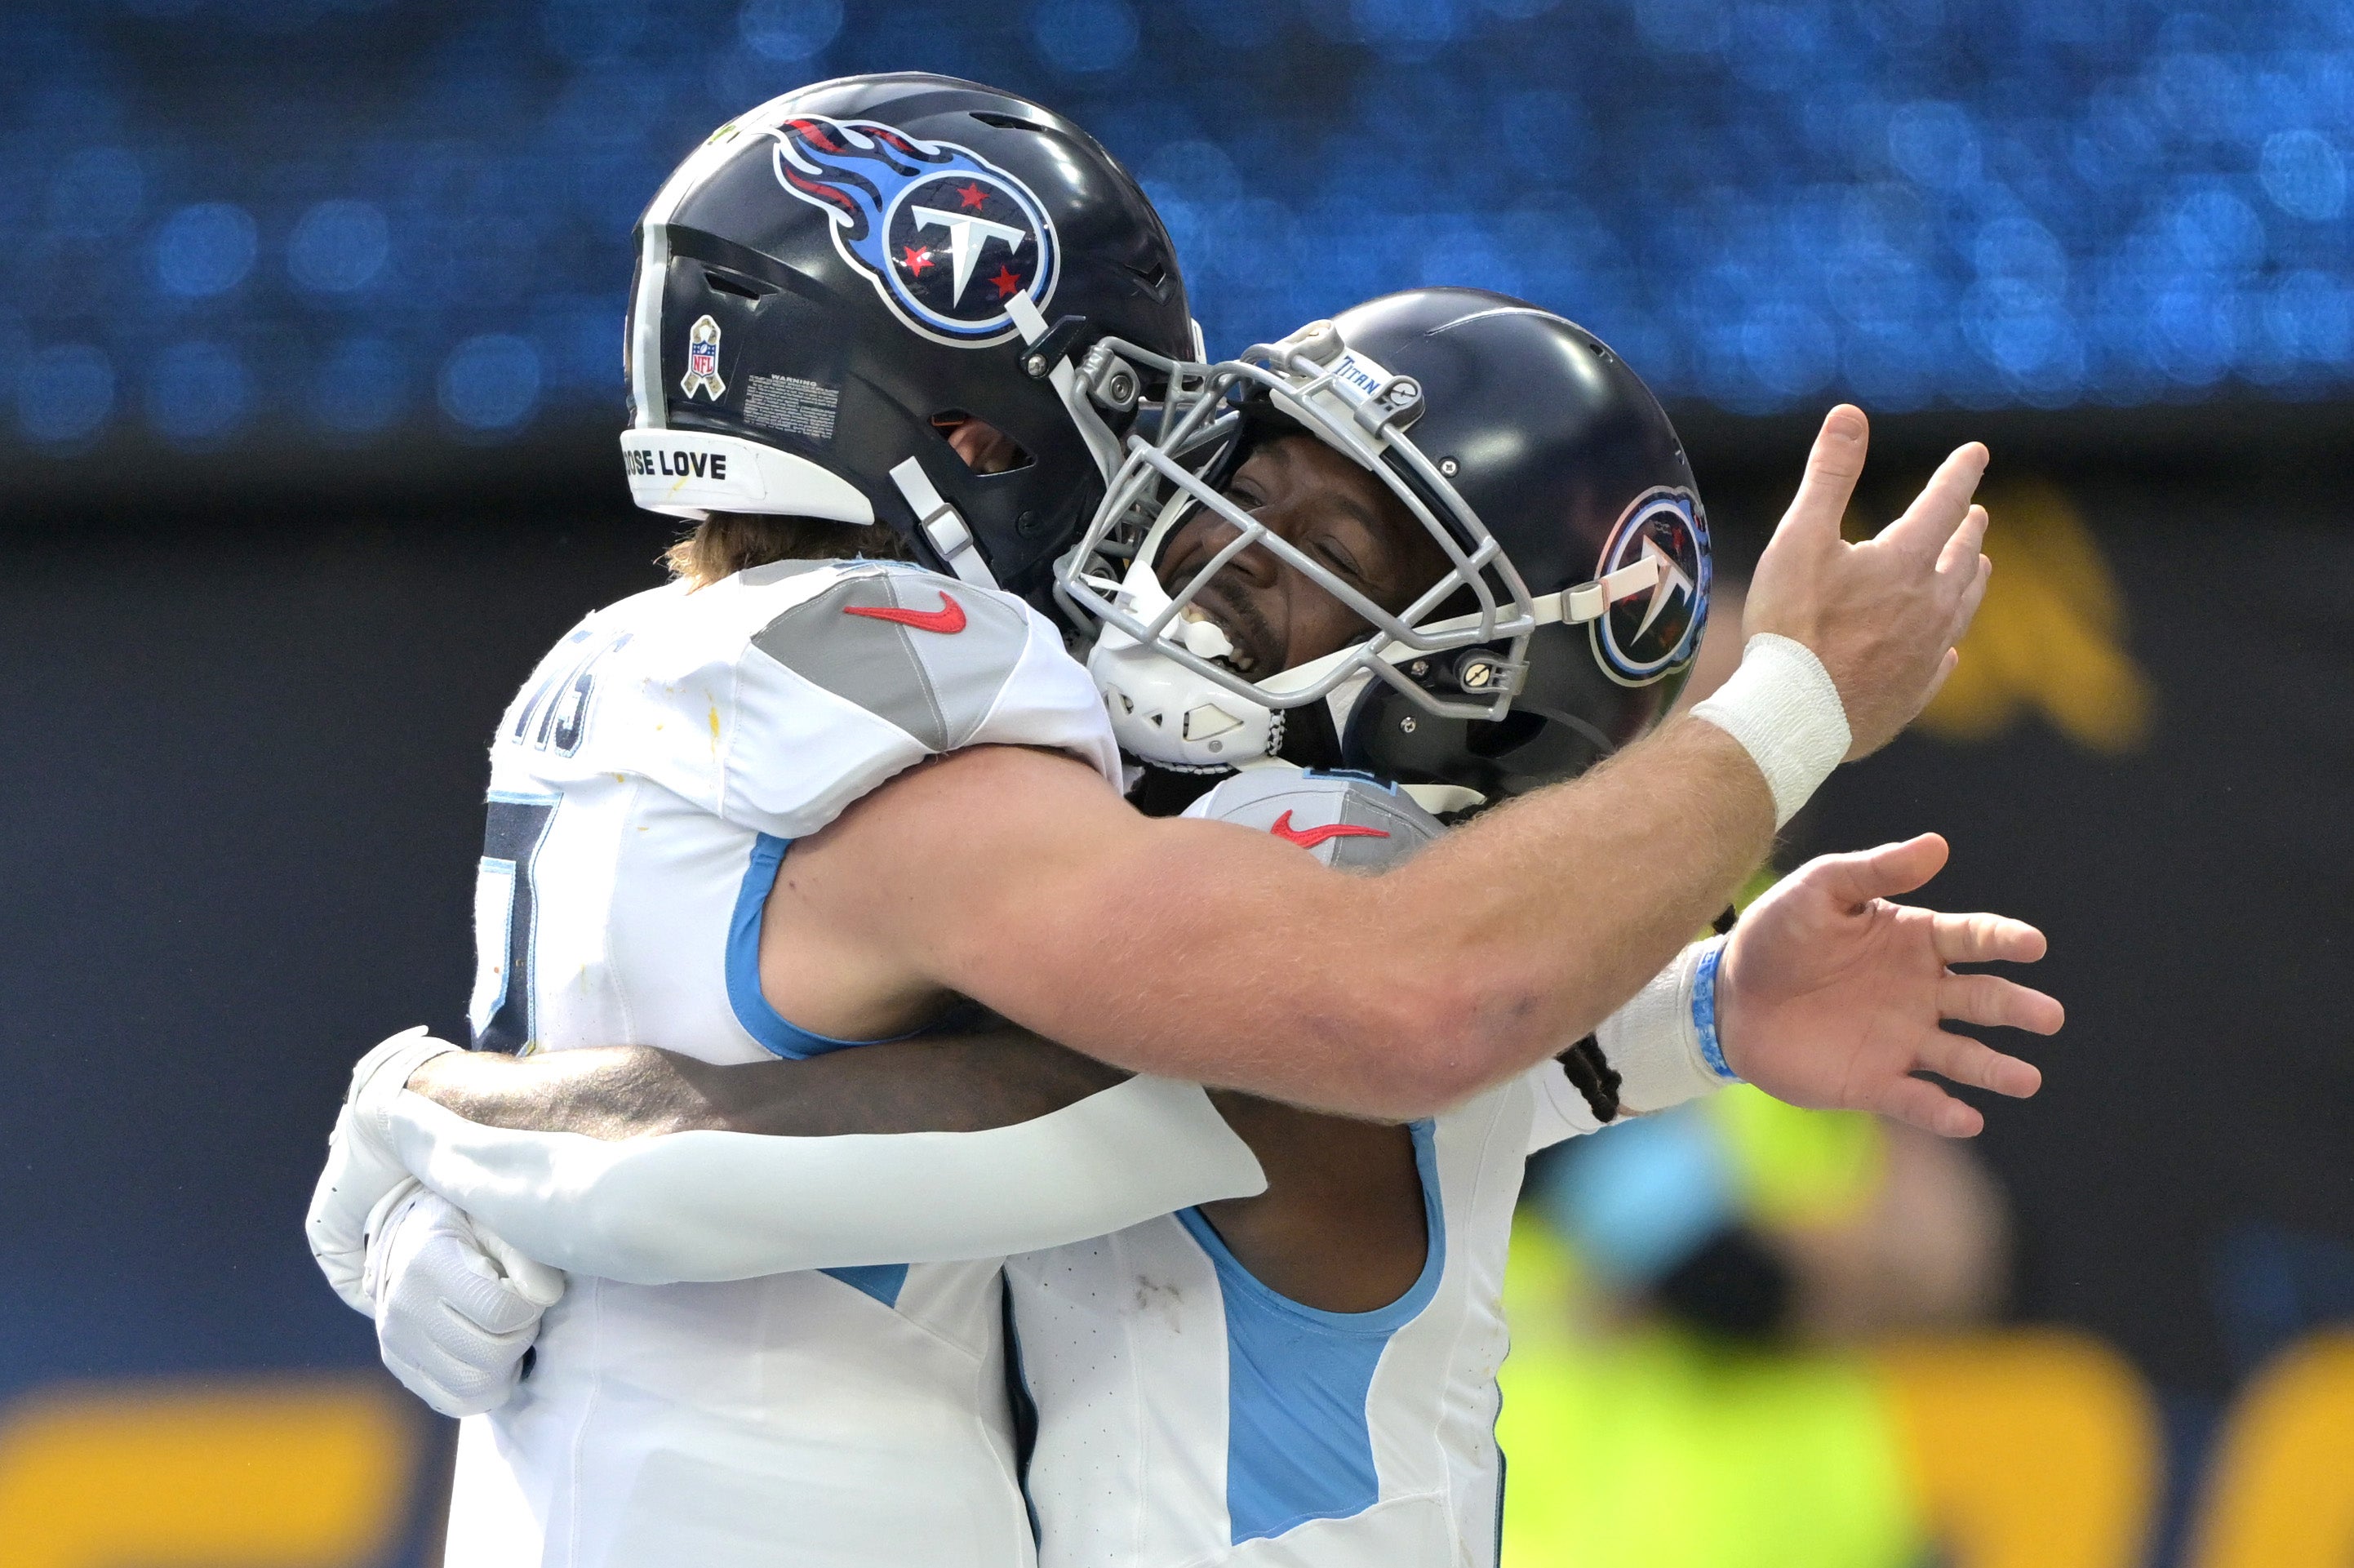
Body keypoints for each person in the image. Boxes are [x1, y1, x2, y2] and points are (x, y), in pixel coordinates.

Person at [312, 269, 2054, 1567]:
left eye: (1329, 537)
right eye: (1250, 476)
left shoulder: (1343, 892)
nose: (1219, 552)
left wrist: (436, 1114)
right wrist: (1692, 1016)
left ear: (1476, 678)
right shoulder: (1231, 874)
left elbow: (791, 1154)